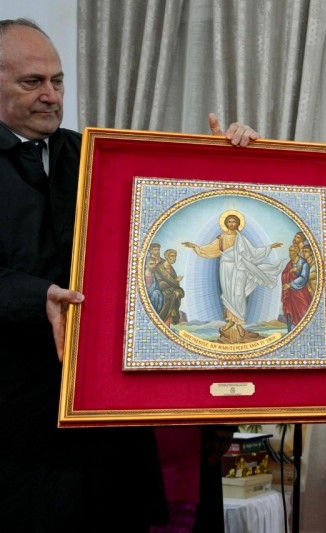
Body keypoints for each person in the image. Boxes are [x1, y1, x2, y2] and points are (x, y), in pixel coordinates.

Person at [0, 18, 258, 532]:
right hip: (16, 409)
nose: (51, 95)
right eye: (32, 83)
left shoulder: (100, 154)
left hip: (109, 413)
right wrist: (37, 297)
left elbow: (174, 212)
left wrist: (233, 164)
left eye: (58, 80)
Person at [182, 212, 284, 344]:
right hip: (225, 267)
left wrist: (269, 247)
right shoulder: (222, 237)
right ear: (225, 224)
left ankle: (240, 323)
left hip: (239, 267)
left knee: (238, 294)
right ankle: (230, 321)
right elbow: (211, 248)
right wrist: (195, 247)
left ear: (237, 224)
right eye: (229, 222)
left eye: (233, 222)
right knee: (228, 295)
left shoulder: (241, 238)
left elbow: (252, 252)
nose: (231, 224)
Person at [281, 244, 312, 331]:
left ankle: (304, 332)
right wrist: (290, 272)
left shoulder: (303, 263)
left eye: (292, 251)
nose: (290, 253)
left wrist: (290, 284)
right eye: (289, 251)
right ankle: (292, 333)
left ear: (297, 252)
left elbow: (303, 278)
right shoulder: (290, 263)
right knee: (290, 314)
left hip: (300, 294)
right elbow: (284, 274)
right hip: (290, 295)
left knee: (302, 312)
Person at [156, 248, 185, 326]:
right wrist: (176, 280)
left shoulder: (171, 269)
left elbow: (174, 284)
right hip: (163, 292)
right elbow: (162, 283)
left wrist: (178, 291)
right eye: (172, 256)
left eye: (175, 256)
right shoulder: (160, 268)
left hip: (170, 291)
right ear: (166, 257)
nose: (174, 258)